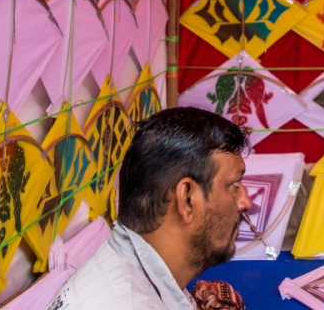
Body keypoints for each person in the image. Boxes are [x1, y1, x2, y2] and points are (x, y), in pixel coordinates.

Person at [48, 107, 252, 309]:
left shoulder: (122, 269)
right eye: (234, 185)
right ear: (188, 199)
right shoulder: (127, 302)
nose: (245, 202)